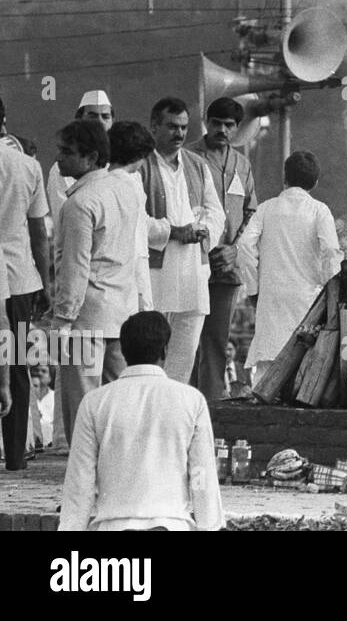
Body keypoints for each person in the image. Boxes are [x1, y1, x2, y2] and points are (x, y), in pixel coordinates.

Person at [58, 311, 224, 530]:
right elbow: (202, 475)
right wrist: (211, 527)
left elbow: (80, 482)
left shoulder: (95, 402)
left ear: (124, 351)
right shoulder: (192, 400)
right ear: (165, 350)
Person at [52, 118, 144, 441]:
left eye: (67, 152)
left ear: (90, 158)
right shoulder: (126, 190)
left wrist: (62, 321)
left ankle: (85, 472)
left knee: (83, 407)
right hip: (121, 312)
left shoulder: (80, 202)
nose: (59, 157)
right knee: (120, 404)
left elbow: (75, 268)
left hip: (85, 318)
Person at [139, 97, 225, 384]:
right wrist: (173, 232)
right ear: (154, 127)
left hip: (193, 275)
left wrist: (203, 232)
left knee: (182, 363)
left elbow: (217, 213)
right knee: (149, 362)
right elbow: (135, 221)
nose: (179, 134)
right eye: (172, 127)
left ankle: (172, 423)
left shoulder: (197, 165)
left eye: (184, 128)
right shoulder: (140, 166)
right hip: (155, 278)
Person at [239, 151, 342, 381]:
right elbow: (331, 253)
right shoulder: (319, 211)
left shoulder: (266, 209)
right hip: (307, 299)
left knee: (267, 367)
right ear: (315, 182)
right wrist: (329, 292)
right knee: (303, 366)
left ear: (284, 178)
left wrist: (253, 288)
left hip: (271, 297)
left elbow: (244, 246)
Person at [188, 98, 258, 401]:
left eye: (228, 125)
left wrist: (233, 250)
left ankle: (211, 411)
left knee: (216, 341)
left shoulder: (242, 163)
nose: (221, 129)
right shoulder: (188, 156)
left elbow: (251, 212)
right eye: (216, 122)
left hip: (228, 268)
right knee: (186, 340)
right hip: (193, 262)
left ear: (237, 128)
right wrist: (206, 248)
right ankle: (183, 407)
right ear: (206, 121)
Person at [0, 97, 52, 470]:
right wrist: (46, 283)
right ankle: (15, 456)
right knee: (15, 362)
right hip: (19, 274)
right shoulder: (27, 166)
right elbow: (39, 233)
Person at [46, 90, 113, 231]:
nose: (100, 122)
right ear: (79, 120)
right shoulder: (63, 167)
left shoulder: (121, 162)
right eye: (93, 116)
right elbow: (64, 221)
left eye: (105, 117)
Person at [106, 122, 155, 313]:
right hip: (129, 275)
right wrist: (140, 292)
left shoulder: (103, 179)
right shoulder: (127, 185)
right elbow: (132, 240)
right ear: (140, 156)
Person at [27, 364, 55, 451]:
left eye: (44, 371)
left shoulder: (55, 396)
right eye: (36, 370)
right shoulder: (26, 397)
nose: (39, 373)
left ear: (50, 377)